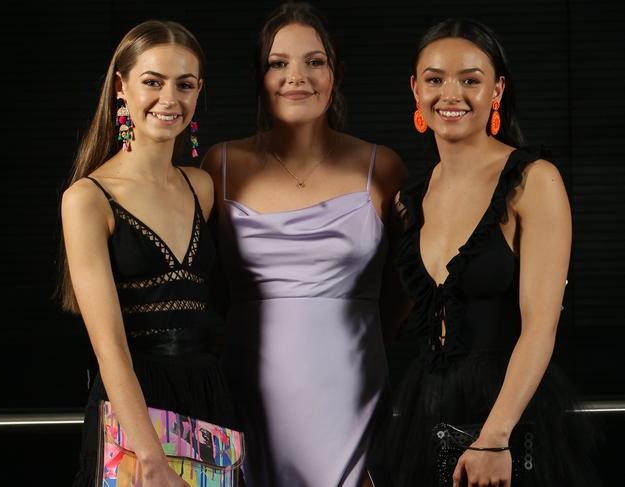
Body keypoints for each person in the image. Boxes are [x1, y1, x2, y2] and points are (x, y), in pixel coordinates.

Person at [371, 18, 600, 487]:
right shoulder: (410, 198)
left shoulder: (533, 180)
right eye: (434, 79)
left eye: (470, 80)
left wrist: (495, 438)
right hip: (426, 412)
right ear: (416, 90)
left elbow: (541, 325)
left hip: (508, 419)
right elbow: (388, 319)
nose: (450, 94)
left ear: (496, 90)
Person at [202, 2, 407, 486]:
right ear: (259, 76)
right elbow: (206, 288)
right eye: (279, 63)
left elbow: (408, 286)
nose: (298, 76)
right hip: (248, 391)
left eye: (314, 61)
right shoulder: (221, 163)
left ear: (334, 74)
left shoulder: (382, 166)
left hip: (351, 395)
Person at [60, 20, 237, 487]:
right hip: (133, 406)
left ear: (199, 92)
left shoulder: (201, 186)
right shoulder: (88, 198)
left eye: (185, 84)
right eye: (152, 82)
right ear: (121, 88)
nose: (170, 99)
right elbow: (110, 348)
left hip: (206, 397)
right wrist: (150, 455)